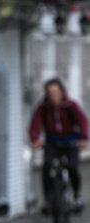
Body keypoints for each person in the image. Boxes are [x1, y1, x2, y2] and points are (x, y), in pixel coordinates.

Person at [29, 77, 88, 214]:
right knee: (47, 166)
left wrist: (83, 138)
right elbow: (35, 124)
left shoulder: (70, 106)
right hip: (52, 142)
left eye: (55, 93)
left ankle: (77, 195)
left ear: (62, 92)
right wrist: (35, 139)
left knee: (72, 167)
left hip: (70, 142)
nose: (53, 97)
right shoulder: (43, 108)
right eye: (50, 94)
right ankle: (48, 199)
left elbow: (82, 121)